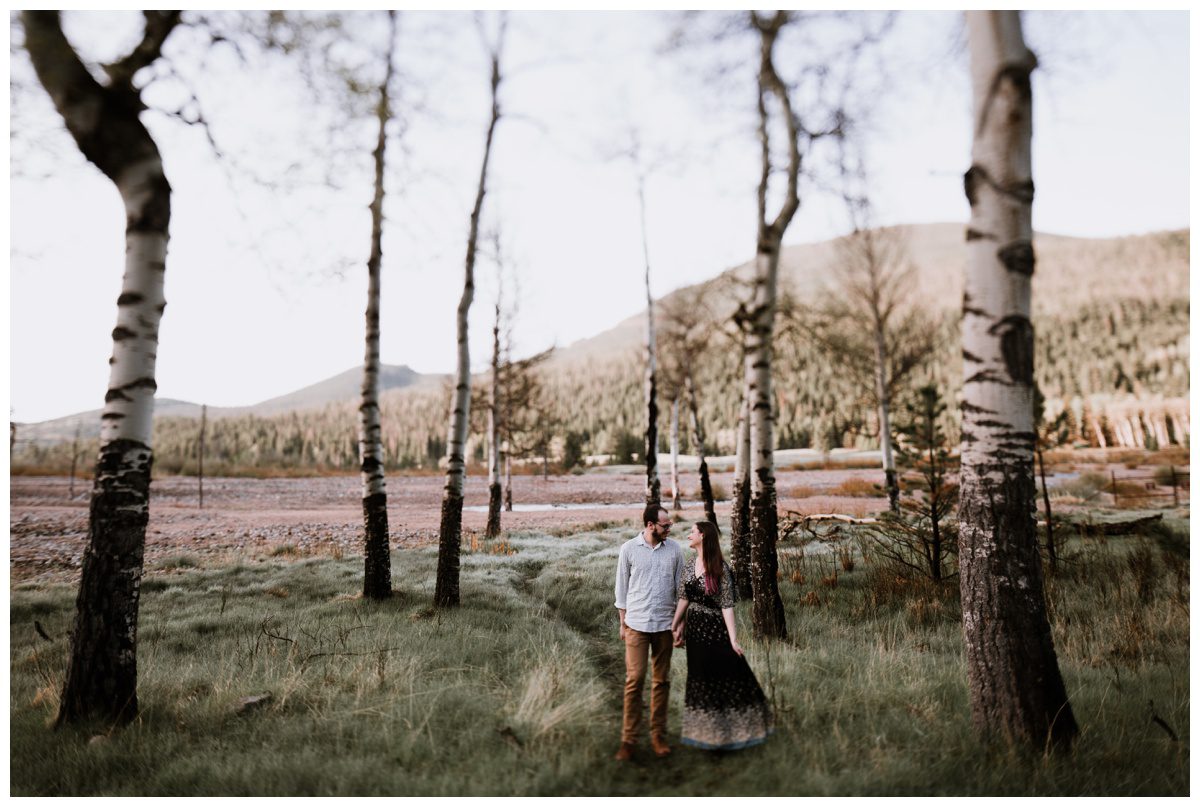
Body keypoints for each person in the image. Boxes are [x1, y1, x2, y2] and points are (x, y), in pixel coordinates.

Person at [671, 520, 773, 751]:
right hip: (695, 632)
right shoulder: (689, 565)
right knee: (700, 680)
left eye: (692, 532)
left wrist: (733, 639)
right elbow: (684, 599)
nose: (688, 535)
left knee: (726, 675)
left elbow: (727, 605)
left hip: (715, 631)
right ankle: (708, 735)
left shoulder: (720, 568)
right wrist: (674, 625)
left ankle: (737, 730)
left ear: (703, 536)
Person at [613, 504, 684, 761]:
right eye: (665, 525)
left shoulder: (675, 550)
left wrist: (680, 624)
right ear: (650, 525)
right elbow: (621, 590)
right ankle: (629, 739)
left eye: (670, 525)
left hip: (665, 626)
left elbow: (681, 591)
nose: (669, 529)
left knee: (661, 681)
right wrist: (622, 623)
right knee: (635, 680)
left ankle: (658, 736)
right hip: (636, 625)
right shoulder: (629, 549)